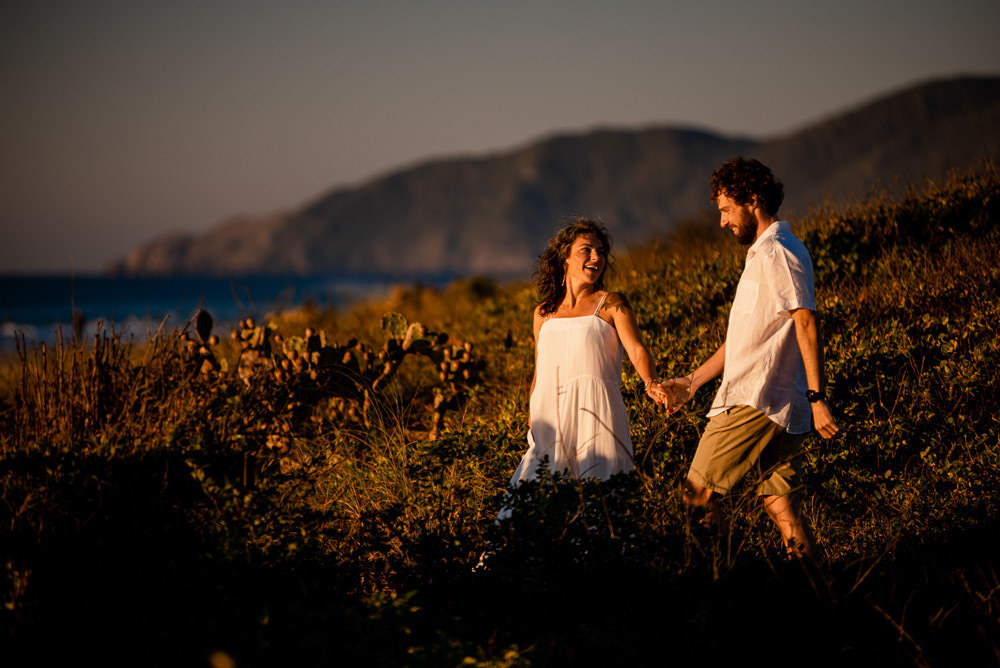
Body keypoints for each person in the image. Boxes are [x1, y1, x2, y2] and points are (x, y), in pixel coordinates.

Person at [654, 157, 840, 557]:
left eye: (725, 210)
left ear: (752, 200)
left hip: (757, 399)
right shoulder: (764, 254)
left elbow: (806, 321)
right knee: (780, 504)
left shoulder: (778, 253)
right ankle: (816, 591)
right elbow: (745, 340)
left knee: (697, 494)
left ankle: (719, 586)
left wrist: (817, 396)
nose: (722, 222)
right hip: (778, 403)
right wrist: (691, 383)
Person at [505, 218, 663, 492]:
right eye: (587, 250)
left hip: (597, 411)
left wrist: (650, 383)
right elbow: (539, 370)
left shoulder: (611, 303)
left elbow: (637, 349)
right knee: (539, 498)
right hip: (549, 417)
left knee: (598, 495)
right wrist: (532, 418)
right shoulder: (543, 312)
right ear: (564, 257)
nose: (596, 257)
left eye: (601, 251)